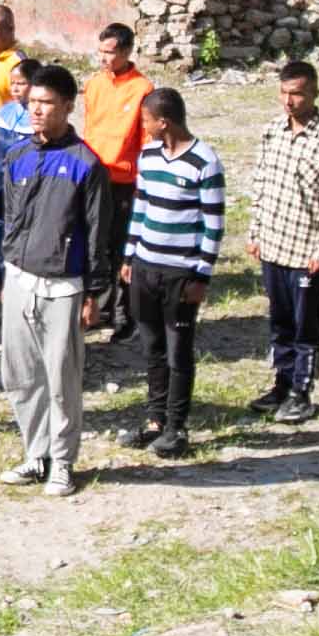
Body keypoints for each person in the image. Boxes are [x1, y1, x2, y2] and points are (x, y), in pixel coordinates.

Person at [0, 64, 100, 497]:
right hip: (19, 280)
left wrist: (93, 293)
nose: (37, 110)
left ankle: (63, 462)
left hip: (64, 287)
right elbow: (11, 221)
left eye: (47, 103)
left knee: (61, 379)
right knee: (19, 374)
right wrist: (7, 273)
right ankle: (35, 454)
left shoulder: (85, 164)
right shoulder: (17, 156)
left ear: (68, 107)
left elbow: (96, 234)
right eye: (33, 102)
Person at [123, 87, 227, 459]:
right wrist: (129, 255)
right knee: (151, 346)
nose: (143, 126)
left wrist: (202, 276)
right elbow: (141, 207)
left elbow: (213, 225)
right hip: (147, 266)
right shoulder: (149, 156)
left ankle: (176, 426)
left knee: (177, 350)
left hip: (181, 273)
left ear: (163, 122)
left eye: (146, 120)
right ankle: (154, 419)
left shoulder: (204, 162)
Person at [244, 61, 319, 422]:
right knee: (279, 321)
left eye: (297, 93)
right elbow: (261, 185)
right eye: (284, 93)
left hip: (306, 251)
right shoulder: (272, 131)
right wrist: (255, 232)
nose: (290, 101)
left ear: (314, 93)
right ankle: (282, 383)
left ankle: (302, 390)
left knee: (306, 325)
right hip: (273, 244)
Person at [73, 23, 152, 340]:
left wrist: (142, 184)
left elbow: (146, 141)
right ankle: (100, 306)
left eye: (111, 52)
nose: (104, 58)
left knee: (122, 249)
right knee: (96, 244)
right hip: (94, 176)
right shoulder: (93, 85)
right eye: (101, 51)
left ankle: (124, 315)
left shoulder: (142, 89)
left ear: (127, 52)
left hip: (124, 180)